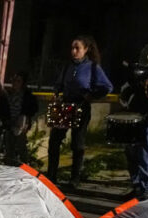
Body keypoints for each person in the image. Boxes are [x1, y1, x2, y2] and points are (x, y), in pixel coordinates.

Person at [47, 35, 113, 186]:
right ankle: (51, 176)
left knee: (77, 143)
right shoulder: (68, 66)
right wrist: (55, 93)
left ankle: (74, 178)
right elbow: (59, 84)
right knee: (54, 140)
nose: (74, 51)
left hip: (81, 105)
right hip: (65, 105)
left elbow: (107, 87)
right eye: (72, 48)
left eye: (77, 48)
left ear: (86, 49)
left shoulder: (92, 67)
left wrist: (92, 95)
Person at [118, 61, 148, 199]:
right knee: (131, 155)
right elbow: (124, 98)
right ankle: (137, 186)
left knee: (146, 155)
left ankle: (146, 188)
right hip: (132, 120)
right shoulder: (132, 85)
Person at [0, 71, 38, 166]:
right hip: (9, 123)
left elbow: (33, 109)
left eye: (18, 81)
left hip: (21, 124)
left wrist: (26, 118)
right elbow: (1, 109)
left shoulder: (27, 96)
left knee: (21, 145)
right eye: (14, 81)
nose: (15, 83)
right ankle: (10, 166)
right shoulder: (8, 95)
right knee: (9, 146)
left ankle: (24, 166)